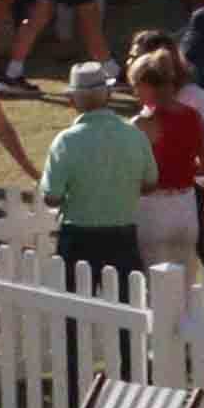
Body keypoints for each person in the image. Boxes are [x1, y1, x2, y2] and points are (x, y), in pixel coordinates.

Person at [39, 62, 153, 276]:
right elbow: (150, 183)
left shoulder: (65, 141)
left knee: (77, 306)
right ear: (108, 94)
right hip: (123, 236)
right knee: (125, 305)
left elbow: (51, 197)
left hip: (77, 237)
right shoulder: (134, 134)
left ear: (72, 100)